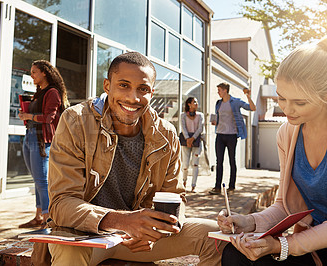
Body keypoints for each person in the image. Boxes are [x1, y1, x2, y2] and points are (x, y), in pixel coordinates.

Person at [40, 52, 226, 266]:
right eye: (124, 85)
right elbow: (61, 204)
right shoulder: (76, 121)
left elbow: (176, 198)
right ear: (107, 85)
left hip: (137, 240)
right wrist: (123, 221)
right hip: (84, 236)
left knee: (215, 236)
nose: (133, 98)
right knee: (68, 251)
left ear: (152, 93)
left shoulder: (165, 134)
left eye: (143, 89)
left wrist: (157, 231)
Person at [218, 36, 327, 265]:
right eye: (281, 98)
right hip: (311, 245)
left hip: (310, 244)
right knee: (235, 254)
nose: (287, 109)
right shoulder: (287, 134)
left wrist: (283, 246)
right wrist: (249, 222)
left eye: (300, 102)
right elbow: (285, 206)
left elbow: (287, 244)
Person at [18, 60, 69, 229]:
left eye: (34, 72)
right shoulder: (39, 93)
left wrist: (29, 116)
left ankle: (48, 219)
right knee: (36, 179)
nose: (32, 75)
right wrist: (26, 114)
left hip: (41, 139)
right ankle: (38, 216)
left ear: (44, 73)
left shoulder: (52, 92)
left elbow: (49, 118)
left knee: (42, 180)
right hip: (30, 135)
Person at [209, 83, 256, 195]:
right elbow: (218, 117)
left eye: (219, 90)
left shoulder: (235, 102)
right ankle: (217, 187)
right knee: (219, 162)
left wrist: (248, 96)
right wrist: (215, 122)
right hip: (220, 134)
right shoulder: (218, 103)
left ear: (225, 90)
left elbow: (253, 108)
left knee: (231, 160)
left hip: (231, 135)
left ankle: (231, 186)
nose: (218, 92)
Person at [180, 97, 204, 193]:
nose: (196, 103)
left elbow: (200, 128)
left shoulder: (200, 115)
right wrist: (187, 139)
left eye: (197, 102)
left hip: (197, 140)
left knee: (195, 164)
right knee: (185, 164)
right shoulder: (183, 115)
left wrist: (192, 138)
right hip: (185, 141)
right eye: (194, 102)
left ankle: (193, 185)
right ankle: (184, 182)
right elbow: (183, 127)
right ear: (189, 104)